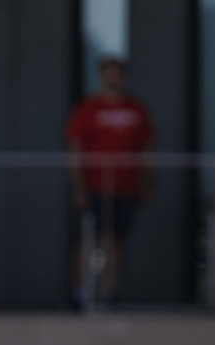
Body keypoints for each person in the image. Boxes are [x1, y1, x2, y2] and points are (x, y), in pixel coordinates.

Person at [64, 57, 155, 309]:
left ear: (124, 77)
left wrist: (148, 183)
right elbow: (75, 149)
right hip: (94, 185)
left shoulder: (136, 109)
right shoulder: (88, 109)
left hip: (127, 186)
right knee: (86, 238)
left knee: (116, 239)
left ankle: (110, 292)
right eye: (108, 73)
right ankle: (80, 292)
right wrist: (78, 186)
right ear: (101, 76)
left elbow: (146, 148)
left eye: (118, 73)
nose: (113, 78)